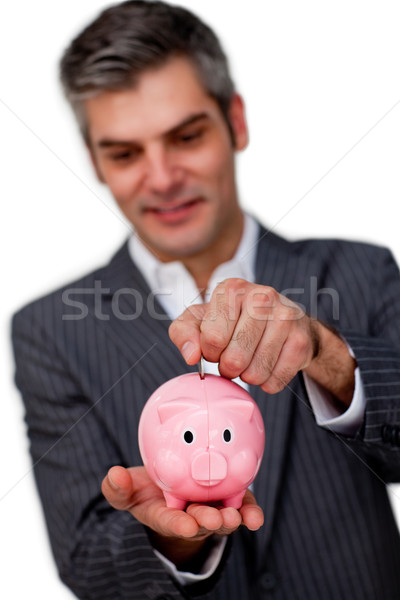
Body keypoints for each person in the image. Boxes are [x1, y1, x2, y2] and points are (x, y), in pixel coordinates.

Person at [11, 1, 400, 598]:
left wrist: (322, 349)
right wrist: (176, 535)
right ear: (95, 161)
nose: (162, 177)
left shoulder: (360, 269)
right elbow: (88, 561)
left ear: (236, 122)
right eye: (125, 153)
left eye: (186, 136)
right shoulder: (49, 331)